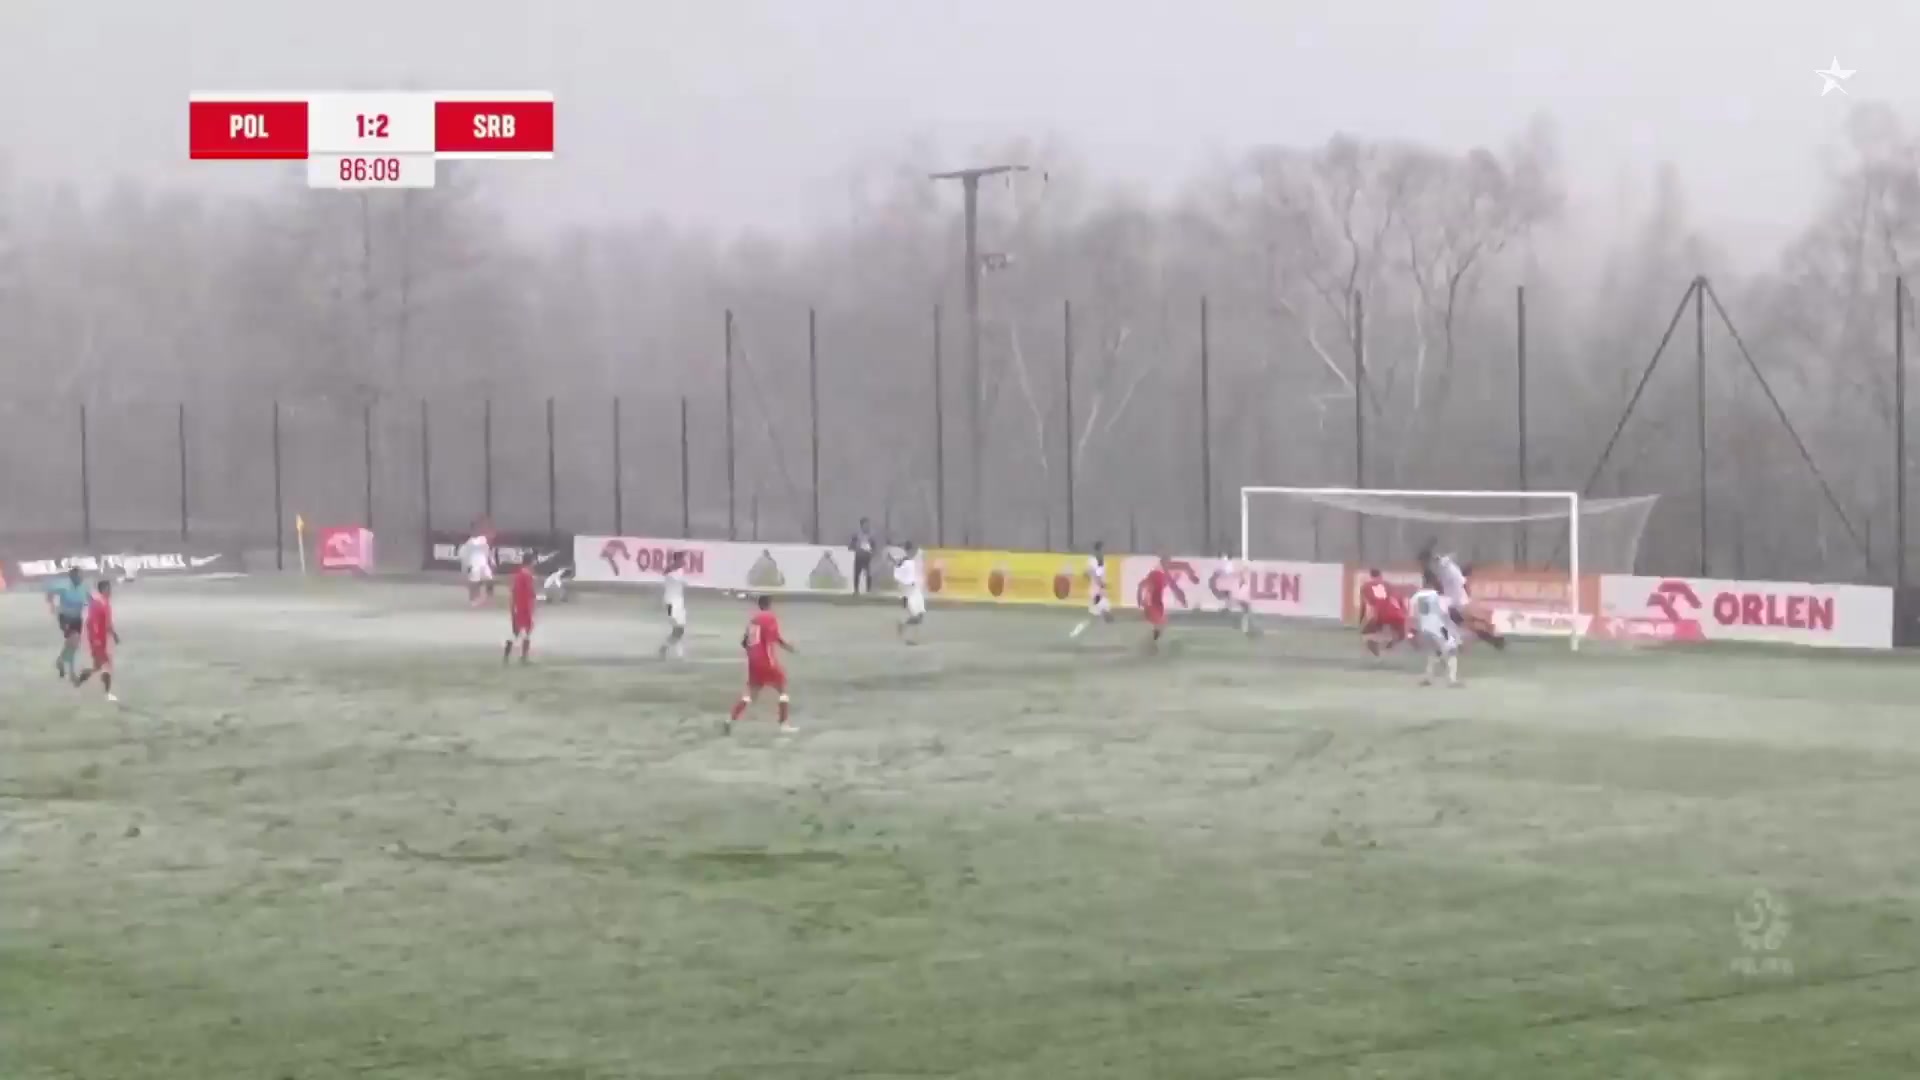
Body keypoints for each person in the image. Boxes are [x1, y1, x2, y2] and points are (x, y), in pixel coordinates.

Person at [728, 595, 798, 735]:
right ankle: (783, 724)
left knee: (750, 696)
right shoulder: (770, 618)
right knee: (782, 690)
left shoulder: (753, 621)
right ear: (769, 605)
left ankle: (731, 719)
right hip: (766, 661)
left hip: (753, 663)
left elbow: (744, 642)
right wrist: (788, 647)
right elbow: (775, 637)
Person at [1419, 540, 1506, 650]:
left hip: (1456, 603)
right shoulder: (1447, 570)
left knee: (1473, 623)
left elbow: (1458, 574)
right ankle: (1491, 638)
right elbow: (1453, 573)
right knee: (1474, 622)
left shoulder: (1448, 571)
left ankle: (1491, 638)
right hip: (1457, 603)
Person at [1408, 573, 1462, 687]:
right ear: (1433, 582)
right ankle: (1452, 680)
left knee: (1433, 652)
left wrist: (1411, 634)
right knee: (1452, 650)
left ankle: (1428, 678)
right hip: (1439, 627)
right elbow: (1445, 612)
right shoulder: (1437, 596)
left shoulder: (1415, 597)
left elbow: (1412, 616)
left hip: (1425, 628)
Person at [72, 579, 121, 702]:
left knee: (97, 667)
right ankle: (107, 694)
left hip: (99, 640)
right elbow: (95, 623)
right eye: (109, 588)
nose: (111, 591)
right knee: (107, 666)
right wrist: (99, 639)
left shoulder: (101, 602)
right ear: (104, 589)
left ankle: (79, 681)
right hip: (99, 641)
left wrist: (112, 635)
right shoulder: (101, 604)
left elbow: (101, 623)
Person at [45, 567, 90, 680]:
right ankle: (70, 671)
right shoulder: (64, 587)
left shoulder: (84, 588)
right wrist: (52, 606)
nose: (81, 578)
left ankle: (63, 663)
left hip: (77, 619)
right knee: (73, 640)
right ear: (72, 577)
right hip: (65, 618)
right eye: (78, 576)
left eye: (81, 575)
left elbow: (90, 600)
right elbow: (49, 592)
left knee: (73, 646)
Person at [1137, 555, 1188, 653]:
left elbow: (1162, 585)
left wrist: (1140, 600)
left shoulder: (1159, 575)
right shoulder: (1157, 574)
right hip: (1153, 604)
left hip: (1153, 604)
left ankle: (1150, 643)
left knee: (1161, 624)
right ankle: (1150, 645)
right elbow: (1143, 586)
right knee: (1160, 624)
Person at [1068, 541, 1113, 639]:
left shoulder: (1103, 562)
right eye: (1102, 549)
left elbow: (1097, 574)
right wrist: (1099, 581)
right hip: (1095, 591)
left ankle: (1081, 632)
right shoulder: (1092, 561)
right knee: (1102, 613)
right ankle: (1077, 632)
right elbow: (1091, 573)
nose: (1104, 551)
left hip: (1101, 591)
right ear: (1098, 550)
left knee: (1097, 616)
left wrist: (1102, 583)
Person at [1359, 568, 1408, 656]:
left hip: (1380, 613)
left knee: (1366, 635)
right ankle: (1388, 648)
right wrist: (1404, 611)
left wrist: (1360, 620)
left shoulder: (1365, 587)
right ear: (1381, 575)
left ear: (1370, 576)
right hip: (1397, 613)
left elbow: (1364, 606)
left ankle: (1378, 655)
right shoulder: (1388, 585)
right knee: (1401, 636)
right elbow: (1399, 598)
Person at [658, 551, 689, 660]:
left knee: (678, 629)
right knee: (678, 629)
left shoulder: (676, 571)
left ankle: (678, 653)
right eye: (683, 558)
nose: (685, 561)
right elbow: (684, 582)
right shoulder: (674, 573)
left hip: (677, 602)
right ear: (678, 560)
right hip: (672, 603)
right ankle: (665, 648)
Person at [503, 562, 536, 665]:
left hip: (518, 606)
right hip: (524, 607)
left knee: (518, 632)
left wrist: (513, 605)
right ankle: (523, 658)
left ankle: (508, 657)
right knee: (523, 631)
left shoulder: (518, 575)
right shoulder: (527, 575)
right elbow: (530, 591)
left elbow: (513, 591)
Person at [894, 541, 926, 644]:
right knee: (915, 615)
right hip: (910, 591)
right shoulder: (904, 562)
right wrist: (902, 596)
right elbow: (899, 578)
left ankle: (903, 626)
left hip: (916, 590)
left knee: (920, 617)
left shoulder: (913, 560)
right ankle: (911, 639)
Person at [1217, 552, 1256, 636]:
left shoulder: (1242, 575)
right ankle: (1244, 626)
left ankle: (1243, 625)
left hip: (1241, 595)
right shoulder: (1240, 574)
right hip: (1241, 596)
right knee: (1246, 610)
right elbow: (1238, 577)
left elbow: (1240, 577)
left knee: (1246, 610)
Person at [459, 527, 494, 607]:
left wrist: (491, 560)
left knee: (489, 578)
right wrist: (466, 566)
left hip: (483, 564)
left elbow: (487, 550)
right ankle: (473, 599)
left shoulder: (483, 540)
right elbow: (463, 554)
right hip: (474, 564)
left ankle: (489, 596)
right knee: (474, 582)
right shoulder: (470, 542)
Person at [849, 518, 877, 594]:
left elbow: (874, 546)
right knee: (857, 574)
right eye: (865, 524)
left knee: (869, 574)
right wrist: (856, 547)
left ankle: (869, 590)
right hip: (859, 556)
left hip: (867, 557)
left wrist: (872, 551)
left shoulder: (871, 535)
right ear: (861, 525)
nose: (867, 526)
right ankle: (856, 590)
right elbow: (851, 545)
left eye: (868, 524)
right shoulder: (856, 535)